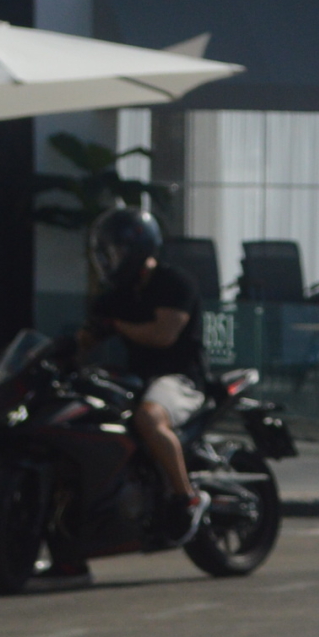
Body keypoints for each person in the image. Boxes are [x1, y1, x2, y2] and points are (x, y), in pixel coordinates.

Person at [81, 208, 208, 541]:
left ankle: (185, 499)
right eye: (105, 253)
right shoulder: (114, 297)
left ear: (137, 249)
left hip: (179, 379)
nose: (110, 260)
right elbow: (85, 340)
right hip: (135, 378)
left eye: (116, 252)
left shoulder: (175, 283)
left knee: (149, 419)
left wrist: (117, 326)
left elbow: (162, 335)